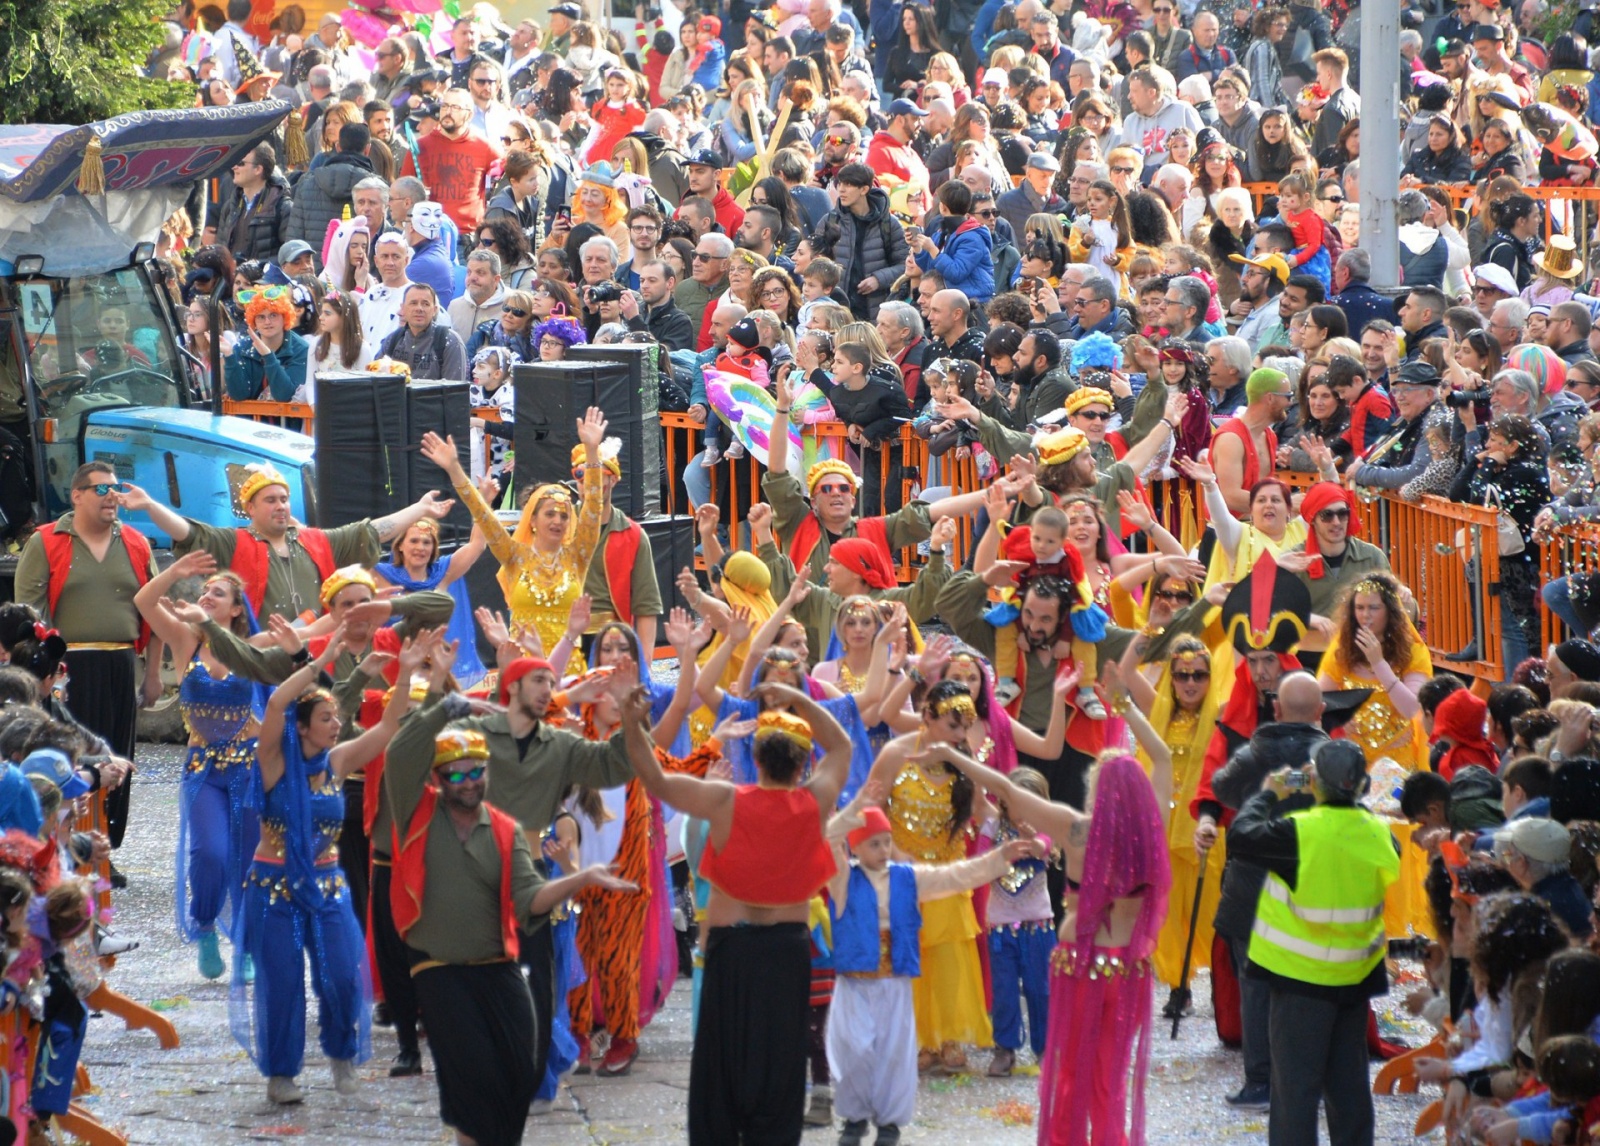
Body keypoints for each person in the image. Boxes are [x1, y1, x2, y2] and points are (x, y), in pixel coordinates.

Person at [383, 647, 638, 1146]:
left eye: (477, 772)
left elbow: (531, 896)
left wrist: (581, 877)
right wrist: (443, 703)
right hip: (440, 962)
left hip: (507, 935)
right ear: (437, 779)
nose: (470, 779)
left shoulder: (507, 825)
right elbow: (401, 753)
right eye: (456, 772)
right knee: (469, 1069)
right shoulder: (426, 799)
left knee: (525, 1053)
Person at [620, 681, 852, 1146]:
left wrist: (630, 725)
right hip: (787, 952)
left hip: (732, 954)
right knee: (780, 1064)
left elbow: (656, 781)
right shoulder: (814, 802)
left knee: (722, 1066)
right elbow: (843, 747)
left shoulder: (726, 801)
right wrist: (800, 698)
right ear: (804, 763)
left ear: (758, 759)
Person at [929, 743, 1171, 1145]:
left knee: (1072, 1072)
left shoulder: (1076, 828)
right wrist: (1126, 702)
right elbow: (1162, 758)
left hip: (1082, 968)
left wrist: (953, 757)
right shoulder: (1150, 835)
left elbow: (1008, 791)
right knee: (1110, 1076)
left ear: (1097, 789)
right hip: (1128, 974)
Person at [235, 625, 419, 1104]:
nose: (336, 724)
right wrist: (316, 664)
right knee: (281, 984)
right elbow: (276, 704)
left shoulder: (337, 763)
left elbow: (388, 728)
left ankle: (341, 1056)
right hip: (273, 886)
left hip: (328, 883)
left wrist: (405, 676)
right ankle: (282, 1074)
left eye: (336, 716)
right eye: (325, 716)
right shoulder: (274, 761)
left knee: (341, 975)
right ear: (302, 726)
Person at [823, 793, 1043, 1146]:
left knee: (894, 1051)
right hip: (855, 982)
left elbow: (956, 875)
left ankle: (890, 1122)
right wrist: (852, 813)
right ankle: (854, 1116)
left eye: (887, 842)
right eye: (873, 843)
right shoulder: (843, 880)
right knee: (855, 1049)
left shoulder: (907, 878)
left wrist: (998, 859)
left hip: (895, 980)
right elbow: (826, 840)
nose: (882, 850)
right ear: (857, 847)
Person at [1225, 739, 1400, 1146]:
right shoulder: (1379, 833)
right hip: (1354, 977)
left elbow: (1241, 836)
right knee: (1349, 1088)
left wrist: (1270, 792)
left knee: (1295, 1093)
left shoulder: (1299, 833)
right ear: (1362, 785)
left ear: (1315, 782)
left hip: (1299, 981)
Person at [14, 461, 158, 857]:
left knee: (117, 754)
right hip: (69, 666)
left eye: (116, 488)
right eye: (101, 489)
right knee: (73, 753)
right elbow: (30, 614)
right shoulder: (45, 541)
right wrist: (40, 674)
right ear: (76, 495)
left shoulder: (136, 542)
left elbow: (155, 610)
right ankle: (68, 842)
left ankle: (106, 847)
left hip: (121, 661)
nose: (112, 495)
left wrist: (153, 676)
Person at [133, 551, 263, 980]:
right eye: (206, 590)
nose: (208, 595)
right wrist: (176, 571)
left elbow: (314, 637)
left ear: (237, 609)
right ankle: (206, 927)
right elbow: (144, 603)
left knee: (246, 859)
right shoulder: (187, 640)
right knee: (210, 853)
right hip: (202, 768)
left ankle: (245, 941)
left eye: (219, 592)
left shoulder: (252, 648)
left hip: (248, 769)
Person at [123, 463, 449, 624]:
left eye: (284, 499)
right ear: (250, 508)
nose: (280, 505)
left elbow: (371, 532)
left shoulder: (314, 540)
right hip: (258, 655)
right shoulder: (233, 541)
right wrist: (151, 506)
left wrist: (420, 508)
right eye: (270, 500)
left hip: (312, 654)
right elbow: (187, 533)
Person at [420, 411, 607, 672]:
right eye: (550, 513)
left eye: (564, 515)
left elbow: (594, 508)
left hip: (569, 674)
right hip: (523, 671)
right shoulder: (514, 555)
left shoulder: (577, 555)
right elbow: (481, 513)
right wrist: (454, 469)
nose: (557, 520)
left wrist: (592, 451)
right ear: (532, 519)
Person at [225, 286, 309, 403]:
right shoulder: (242, 348)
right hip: (249, 421)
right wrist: (229, 357)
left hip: (285, 421)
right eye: (261, 317)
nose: (267, 322)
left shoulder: (301, 349)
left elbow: (284, 395)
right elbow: (239, 395)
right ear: (253, 320)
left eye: (273, 315)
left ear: (284, 317)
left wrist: (268, 357)